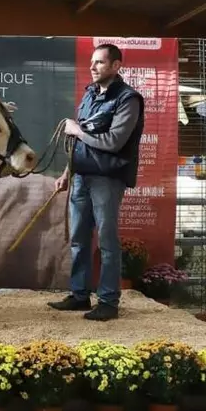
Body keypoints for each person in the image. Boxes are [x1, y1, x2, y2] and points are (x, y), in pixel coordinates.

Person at [47, 43, 145, 321]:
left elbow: (114, 142)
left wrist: (77, 130)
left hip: (108, 178)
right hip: (81, 176)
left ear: (116, 66)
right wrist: (67, 174)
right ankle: (80, 295)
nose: (92, 67)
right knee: (78, 238)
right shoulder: (89, 94)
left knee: (106, 241)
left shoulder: (128, 99)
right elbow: (78, 142)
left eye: (100, 62)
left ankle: (108, 302)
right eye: (92, 62)